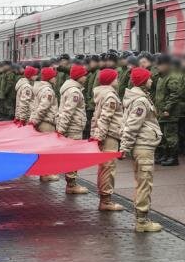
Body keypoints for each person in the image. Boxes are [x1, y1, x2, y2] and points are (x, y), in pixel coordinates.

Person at [120, 67, 163, 233]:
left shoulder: (139, 98)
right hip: (143, 146)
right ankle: (142, 221)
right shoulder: (141, 101)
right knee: (145, 182)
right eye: (149, 78)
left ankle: (142, 218)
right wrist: (125, 147)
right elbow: (132, 126)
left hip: (142, 144)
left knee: (142, 181)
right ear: (144, 81)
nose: (152, 80)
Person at [90, 67, 125, 212]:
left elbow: (96, 117)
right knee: (108, 169)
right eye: (116, 78)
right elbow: (105, 118)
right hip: (110, 135)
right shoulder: (110, 96)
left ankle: (104, 198)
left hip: (105, 134)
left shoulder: (101, 94)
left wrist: (95, 134)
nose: (118, 80)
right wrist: (99, 137)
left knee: (104, 168)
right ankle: (106, 201)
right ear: (111, 80)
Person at [56, 64, 90, 195]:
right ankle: (71, 185)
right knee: (73, 156)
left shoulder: (70, 89)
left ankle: (71, 183)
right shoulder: (74, 92)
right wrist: (61, 129)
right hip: (73, 128)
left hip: (72, 127)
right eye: (84, 75)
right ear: (79, 77)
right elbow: (68, 112)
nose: (86, 77)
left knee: (71, 156)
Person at [30, 66, 60, 183]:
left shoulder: (39, 88)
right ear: (50, 78)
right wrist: (35, 121)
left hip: (42, 122)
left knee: (43, 150)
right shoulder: (48, 91)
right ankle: (46, 174)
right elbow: (43, 108)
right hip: (46, 123)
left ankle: (44, 173)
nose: (56, 79)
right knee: (47, 151)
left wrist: (34, 121)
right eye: (54, 76)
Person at [153, 55, 182, 166]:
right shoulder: (161, 77)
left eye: (160, 64)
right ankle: (165, 155)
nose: (157, 67)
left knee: (171, 136)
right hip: (161, 112)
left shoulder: (172, 77)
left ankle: (173, 157)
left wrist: (167, 108)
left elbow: (174, 95)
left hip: (170, 112)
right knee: (163, 135)